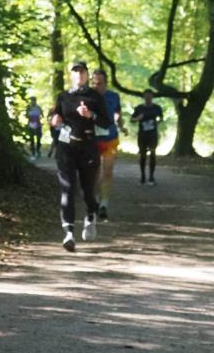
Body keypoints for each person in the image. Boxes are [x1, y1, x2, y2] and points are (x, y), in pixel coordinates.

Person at [50, 61, 110, 251]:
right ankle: (68, 233)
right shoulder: (63, 96)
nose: (78, 75)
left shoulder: (95, 97)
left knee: (87, 191)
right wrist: (54, 120)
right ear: (71, 75)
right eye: (75, 72)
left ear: (86, 75)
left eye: (81, 72)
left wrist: (90, 115)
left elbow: (107, 122)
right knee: (67, 189)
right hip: (66, 147)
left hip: (87, 147)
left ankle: (90, 215)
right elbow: (55, 117)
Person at [91, 69, 125, 221]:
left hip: (110, 138)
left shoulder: (113, 97)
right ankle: (96, 201)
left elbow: (118, 113)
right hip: (92, 140)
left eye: (99, 83)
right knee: (95, 173)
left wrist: (121, 124)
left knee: (108, 172)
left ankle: (104, 204)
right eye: (94, 82)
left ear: (106, 83)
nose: (96, 86)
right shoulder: (88, 96)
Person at [131, 89, 163, 185]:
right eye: (146, 96)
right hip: (142, 134)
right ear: (143, 97)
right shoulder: (139, 108)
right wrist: (138, 118)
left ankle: (151, 177)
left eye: (150, 96)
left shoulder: (157, 108)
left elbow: (161, 117)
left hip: (152, 134)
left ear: (152, 97)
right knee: (143, 155)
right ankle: (143, 176)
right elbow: (132, 119)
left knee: (153, 153)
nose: (148, 98)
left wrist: (157, 122)